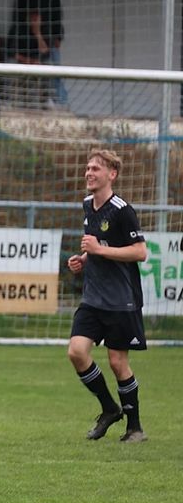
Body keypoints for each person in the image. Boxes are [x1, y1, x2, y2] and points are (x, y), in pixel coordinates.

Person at [66, 150, 148, 443]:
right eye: (87, 168)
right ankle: (109, 409)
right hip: (92, 298)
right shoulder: (88, 204)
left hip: (121, 300)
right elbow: (98, 245)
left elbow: (140, 252)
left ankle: (135, 428)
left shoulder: (123, 209)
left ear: (111, 174)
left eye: (95, 169)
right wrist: (84, 259)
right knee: (76, 352)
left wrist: (99, 250)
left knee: (117, 362)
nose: (89, 173)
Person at [9, 0, 65, 107]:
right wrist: (28, 60)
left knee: (54, 70)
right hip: (26, 53)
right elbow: (13, 53)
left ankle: (57, 102)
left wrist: (58, 36)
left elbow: (58, 17)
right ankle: (20, 104)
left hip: (48, 39)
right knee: (21, 74)